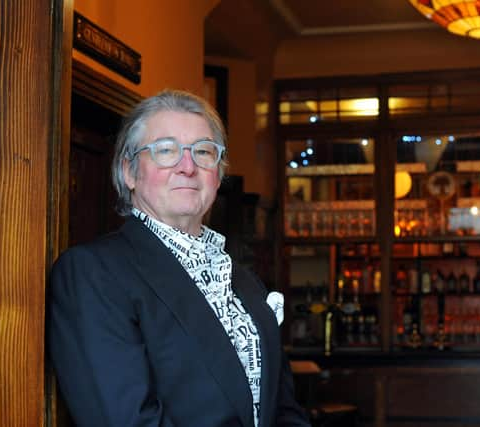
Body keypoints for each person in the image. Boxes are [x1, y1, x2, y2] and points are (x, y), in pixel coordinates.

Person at [48, 89, 310, 427]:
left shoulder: (245, 281)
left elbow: (284, 409)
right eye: (166, 151)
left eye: (203, 152)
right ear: (129, 171)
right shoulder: (92, 273)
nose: (187, 167)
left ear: (218, 174)